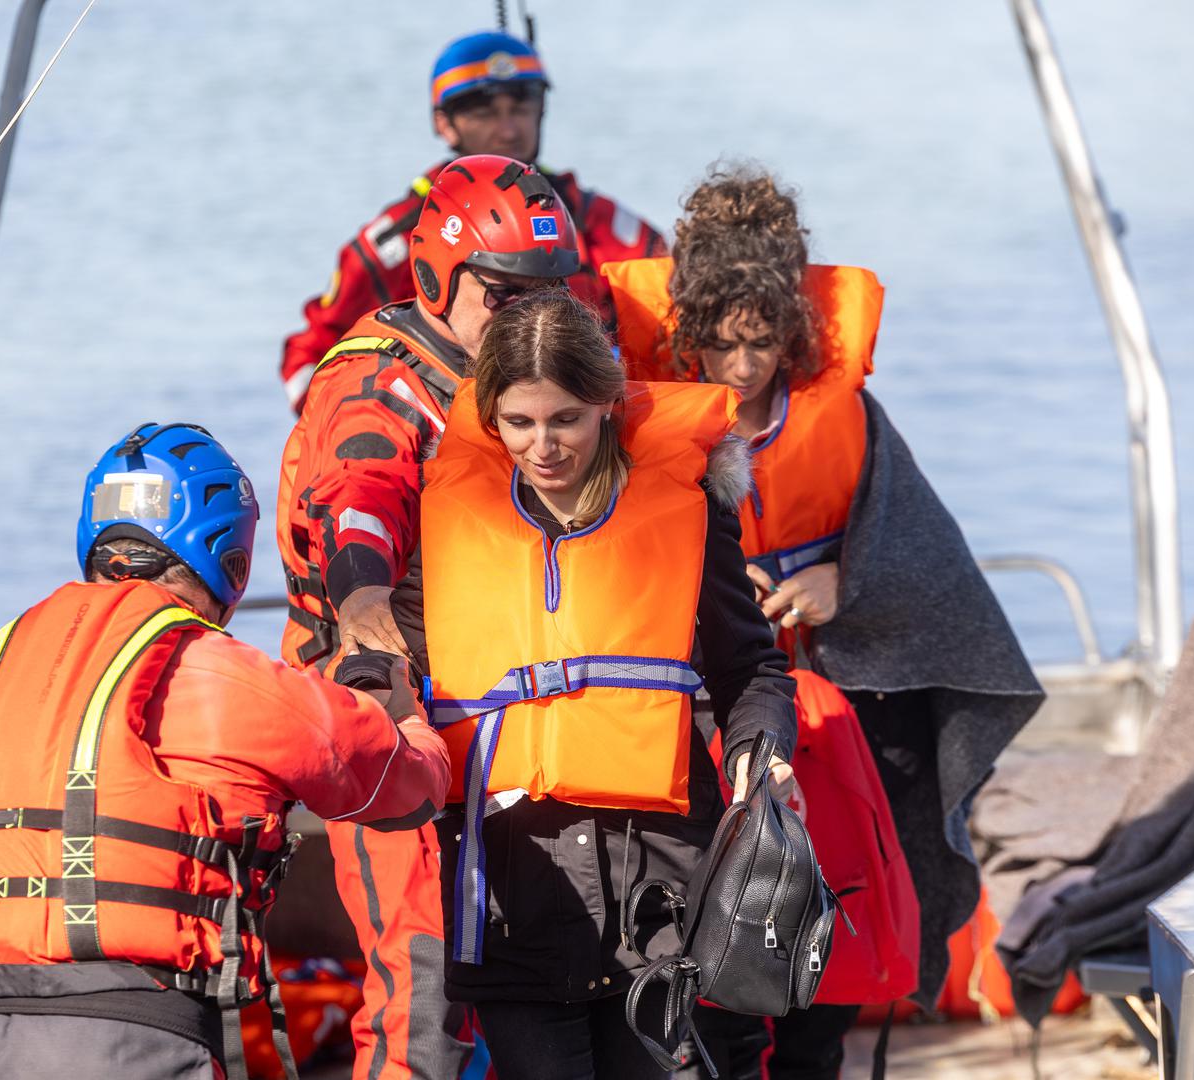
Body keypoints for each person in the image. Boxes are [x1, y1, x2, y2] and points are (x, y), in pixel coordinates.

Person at [603, 165, 1044, 1078]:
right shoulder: (649, 424)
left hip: (837, 719)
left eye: (760, 342)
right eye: (719, 344)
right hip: (710, 713)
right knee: (711, 947)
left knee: (829, 940)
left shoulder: (849, 421)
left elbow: (937, 572)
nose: (739, 366)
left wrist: (848, 578)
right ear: (689, 329)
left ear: (790, 328)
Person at [0, 422, 450, 1079]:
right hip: (123, 1042)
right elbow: (405, 785)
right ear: (230, 559)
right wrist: (404, 715)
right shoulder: (218, 672)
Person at [413, 291, 798, 1080]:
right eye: (518, 423)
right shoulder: (449, 525)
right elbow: (403, 662)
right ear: (491, 418)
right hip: (512, 885)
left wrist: (761, 749)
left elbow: (749, 667)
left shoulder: (685, 513)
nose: (542, 446)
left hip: (653, 884)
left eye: (566, 420)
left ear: (607, 409)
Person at [277, 154, 577, 1080]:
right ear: (440, 278)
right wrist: (363, 592)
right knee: (423, 993)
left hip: (508, 719)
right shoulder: (379, 388)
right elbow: (356, 492)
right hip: (390, 712)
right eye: (503, 296)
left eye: (546, 297)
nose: (527, 317)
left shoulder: (526, 384)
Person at [277, 28, 666, 411]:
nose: (508, 129)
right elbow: (309, 354)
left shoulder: (592, 218)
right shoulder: (406, 233)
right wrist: (354, 421)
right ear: (445, 124)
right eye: (485, 114)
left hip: (583, 438)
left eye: (521, 109)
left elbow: (668, 312)